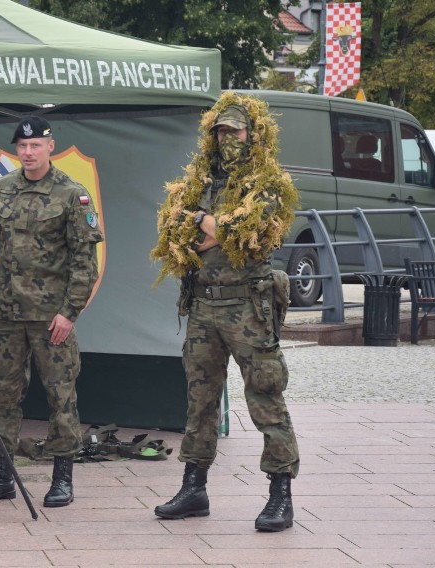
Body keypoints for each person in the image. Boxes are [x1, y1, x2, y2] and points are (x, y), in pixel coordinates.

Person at [150, 92, 301, 532]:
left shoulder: (270, 183)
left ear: (253, 133)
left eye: (234, 131)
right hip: (203, 306)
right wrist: (212, 224)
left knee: (265, 396)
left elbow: (244, 234)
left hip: (249, 306)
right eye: (220, 131)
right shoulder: (202, 182)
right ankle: (194, 488)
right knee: (199, 401)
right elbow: (177, 236)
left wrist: (201, 220)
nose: (226, 139)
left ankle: (280, 495)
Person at [0, 116, 103, 508]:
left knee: (61, 395)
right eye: (21, 147)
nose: (27, 152)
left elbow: (83, 261)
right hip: (7, 316)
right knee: (2, 395)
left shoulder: (71, 195)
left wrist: (69, 312)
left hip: (51, 318)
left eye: (35, 146)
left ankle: (62, 478)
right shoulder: (0, 192)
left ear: (50, 147)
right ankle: (1, 475)